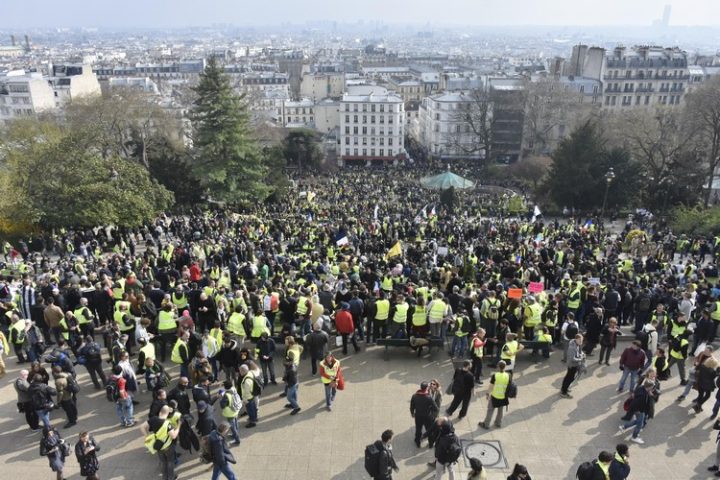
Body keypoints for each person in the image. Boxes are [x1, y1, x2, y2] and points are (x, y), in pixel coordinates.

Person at [140, 405, 179, 480]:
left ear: (160, 412)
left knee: (163, 462)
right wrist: (177, 428)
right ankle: (171, 477)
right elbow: (173, 436)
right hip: (168, 447)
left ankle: (164, 477)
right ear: (167, 413)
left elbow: (142, 427)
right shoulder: (168, 424)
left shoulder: (153, 419)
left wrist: (147, 436)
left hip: (158, 445)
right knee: (170, 462)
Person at [617, 379, 655, 444]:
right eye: (652, 387)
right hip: (640, 411)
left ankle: (624, 427)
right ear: (649, 387)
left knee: (638, 421)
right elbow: (636, 404)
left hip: (639, 410)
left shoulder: (641, 388)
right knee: (639, 425)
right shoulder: (643, 396)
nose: (652, 388)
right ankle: (634, 437)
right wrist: (638, 411)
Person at [479, 360, 510, 429]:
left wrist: (487, 393)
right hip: (503, 396)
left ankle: (486, 424)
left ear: (498, 367)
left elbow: (491, 386)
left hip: (495, 396)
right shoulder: (508, 375)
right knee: (500, 411)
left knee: (490, 410)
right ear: (505, 367)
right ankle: (498, 423)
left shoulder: (495, 375)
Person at [410, 381, 439, 447]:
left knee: (418, 429)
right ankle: (431, 443)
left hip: (418, 416)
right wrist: (430, 408)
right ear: (426, 388)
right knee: (429, 430)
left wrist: (412, 413)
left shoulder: (414, 396)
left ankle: (418, 442)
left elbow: (412, 406)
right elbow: (436, 408)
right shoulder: (429, 397)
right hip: (427, 417)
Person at [560, 334, 585, 398]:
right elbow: (572, 359)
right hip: (572, 365)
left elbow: (579, 352)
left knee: (568, 377)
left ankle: (564, 389)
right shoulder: (572, 347)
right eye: (579, 340)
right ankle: (564, 392)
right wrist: (580, 359)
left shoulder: (577, 344)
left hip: (574, 365)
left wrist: (582, 354)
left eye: (582, 340)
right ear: (576, 339)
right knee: (569, 378)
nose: (581, 341)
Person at [219, 380, 242, 445]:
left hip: (230, 413)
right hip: (235, 410)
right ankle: (235, 434)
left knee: (232, 427)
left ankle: (237, 440)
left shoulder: (226, 395)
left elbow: (222, 406)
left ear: (225, 387)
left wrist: (221, 398)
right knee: (235, 422)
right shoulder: (233, 389)